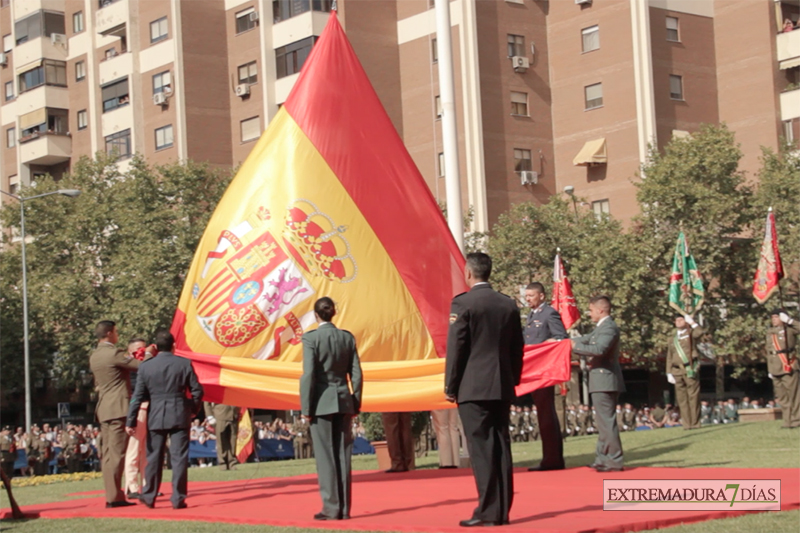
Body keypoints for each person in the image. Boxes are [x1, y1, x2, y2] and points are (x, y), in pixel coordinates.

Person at [445, 252, 524, 527]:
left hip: (473, 386)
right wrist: (513, 378)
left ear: (468, 273)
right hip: (501, 383)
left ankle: (488, 511)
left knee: (481, 450)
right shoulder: (508, 304)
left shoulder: (463, 303)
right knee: (501, 446)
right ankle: (501, 510)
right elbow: (517, 348)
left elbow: (457, 349)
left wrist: (450, 385)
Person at [300, 296, 363, 521]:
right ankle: (344, 508)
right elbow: (356, 373)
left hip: (321, 402)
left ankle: (330, 507)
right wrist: (355, 402)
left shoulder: (311, 338)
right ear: (333, 313)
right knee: (343, 455)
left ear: (316, 315)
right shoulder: (347, 337)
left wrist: (305, 406)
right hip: (344, 400)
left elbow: (308, 374)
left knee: (326, 456)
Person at [126, 330, 203, 509]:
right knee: (179, 458)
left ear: (155, 348)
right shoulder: (184, 363)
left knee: (153, 458)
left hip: (156, 414)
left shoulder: (146, 366)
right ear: (174, 346)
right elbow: (197, 390)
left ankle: (149, 495)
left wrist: (131, 420)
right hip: (179, 412)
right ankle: (178, 498)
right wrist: (192, 409)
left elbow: (137, 396)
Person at [90, 320, 141, 508]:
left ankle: (112, 494)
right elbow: (139, 365)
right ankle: (115, 497)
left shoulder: (95, 355)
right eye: (116, 332)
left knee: (109, 455)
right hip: (118, 408)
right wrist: (150, 354)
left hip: (104, 409)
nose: (117, 335)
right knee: (117, 454)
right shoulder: (114, 353)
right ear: (110, 333)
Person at [571, 296, 625, 472]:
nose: (589, 313)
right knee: (602, 422)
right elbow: (585, 339)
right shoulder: (601, 328)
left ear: (600, 310)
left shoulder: (609, 328)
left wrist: (572, 347)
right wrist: (562, 342)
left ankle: (614, 460)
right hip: (600, 380)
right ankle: (602, 458)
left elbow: (599, 349)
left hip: (605, 380)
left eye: (591, 310)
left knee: (607, 422)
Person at [522, 282, 568, 470]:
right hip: (532, 370)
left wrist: (550, 342)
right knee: (542, 414)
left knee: (547, 414)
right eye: (526, 296)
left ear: (541, 296)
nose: (528, 299)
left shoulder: (549, 313)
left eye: (531, 295)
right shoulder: (532, 315)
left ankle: (552, 459)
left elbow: (561, 337)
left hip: (543, 371)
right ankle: (550, 457)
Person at [124, 337, 152, 498]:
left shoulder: (149, 363)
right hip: (137, 409)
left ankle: (147, 484)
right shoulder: (128, 367)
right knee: (134, 449)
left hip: (151, 408)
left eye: (144, 348)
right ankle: (132, 486)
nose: (142, 352)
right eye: (138, 349)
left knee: (148, 450)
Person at [666, 314, 704, 430]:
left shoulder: (690, 334)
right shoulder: (672, 338)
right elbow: (669, 356)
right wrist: (668, 372)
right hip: (676, 370)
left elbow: (700, 332)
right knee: (681, 399)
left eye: (681, 319)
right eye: (676, 320)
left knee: (693, 397)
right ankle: (687, 424)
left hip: (689, 369)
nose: (678, 321)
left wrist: (692, 323)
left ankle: (695, 423)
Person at [766, 309, 800, 428]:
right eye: (773, 317)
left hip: (788, 366)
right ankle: (787, 421)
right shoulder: (770, 332)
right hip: (775, 368)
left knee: (794, 395)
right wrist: (769, 369)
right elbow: (769, 352)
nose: (774, 319)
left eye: (776, 317)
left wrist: (790, 321)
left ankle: (797, 420)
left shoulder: (790, 329)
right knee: (782, 397)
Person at [204, 402, 239, 470]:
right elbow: (206, 401)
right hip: (220, 414)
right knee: (221, 440)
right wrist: (209, 415)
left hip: (234, 414)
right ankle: (222, 462)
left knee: (233, 441)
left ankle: (232, 462)